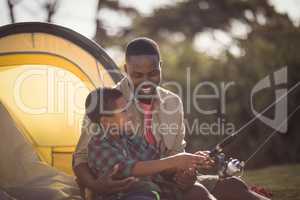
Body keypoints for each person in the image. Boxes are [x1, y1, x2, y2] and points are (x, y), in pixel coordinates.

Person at [73, 37, 270, 200]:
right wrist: (95, 185)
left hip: (164, 181)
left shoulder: (172, 102)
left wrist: (185, 172)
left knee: (234, 186)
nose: (146, 82)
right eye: (137, 75)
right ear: (126, 69)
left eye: (153, 73)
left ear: (161, 67)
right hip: (130, 190)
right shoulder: (107, 104)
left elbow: (174, 154)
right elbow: (81, 158)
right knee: (197, 194)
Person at [85, 87, 215, 200]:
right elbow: (128, 169)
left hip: (157, 190)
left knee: (199, 192)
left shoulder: (130, 137)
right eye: (124, 111)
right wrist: (175, 161)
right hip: (130, 196)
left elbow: (158, 161)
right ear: (106, 121)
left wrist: (191, 161)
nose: (130, 114)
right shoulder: (98, 145)